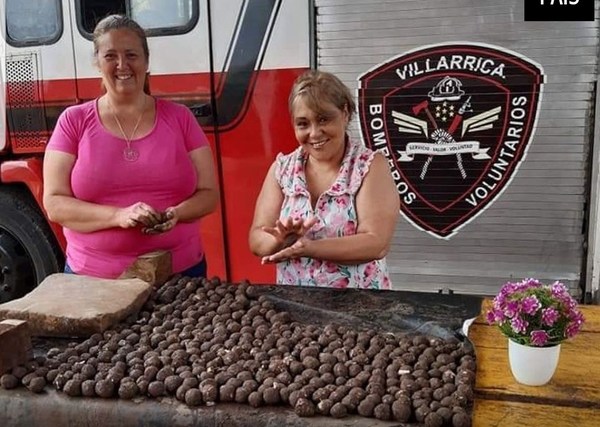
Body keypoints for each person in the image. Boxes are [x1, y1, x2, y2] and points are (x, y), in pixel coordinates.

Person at [43, 15, 218, 279]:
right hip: (93, 279)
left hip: (181, 276)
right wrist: (119, 216)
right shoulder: (73, 121)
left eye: (131, 55)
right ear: (97, 63)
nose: (122, 65)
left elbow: (209, 195)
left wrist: (175, 214)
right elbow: (55, 204)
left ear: (147, 62)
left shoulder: (181, 118)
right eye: (110, 56)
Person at [249, 70, 399, 289]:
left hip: (362, 305)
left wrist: (309, 248)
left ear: (345, 113)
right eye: (303, 124)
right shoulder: (282, 170)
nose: (314, 133)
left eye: (323, 119)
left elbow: (376, 243)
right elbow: (257, 238)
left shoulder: (369, 166)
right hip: (296, 305)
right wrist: (279, 241)